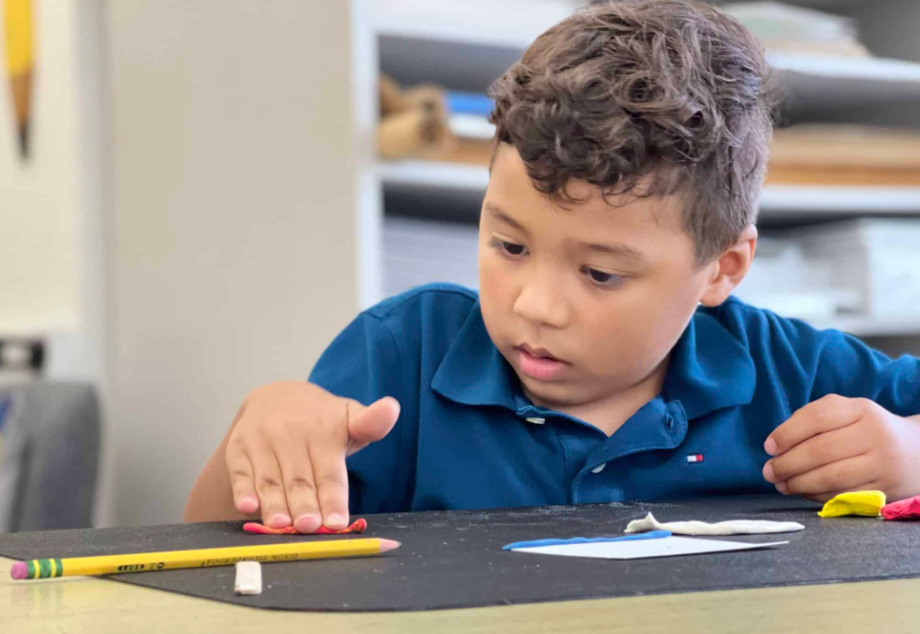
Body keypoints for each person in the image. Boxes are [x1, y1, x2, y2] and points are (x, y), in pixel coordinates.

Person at [184, 0, 920, 534]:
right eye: (510, 246)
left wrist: (911, 454)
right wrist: (259, 434)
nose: (535, 305)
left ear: (722, 269)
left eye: (599, 274)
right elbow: (208, 550)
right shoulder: (399, 354)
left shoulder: (788, 373)